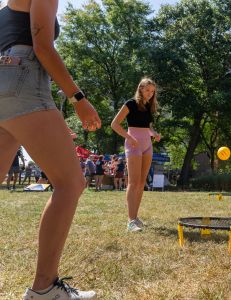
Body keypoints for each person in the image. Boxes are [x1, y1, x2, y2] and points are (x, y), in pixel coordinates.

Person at [0, 0, 101, 297]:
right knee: (70, 183)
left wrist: (48, 123)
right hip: (23, 80)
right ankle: (44, 289)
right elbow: (42, 47)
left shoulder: (5, 10)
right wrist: (78, 99)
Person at [111, 77, 161, 232]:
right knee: (133, 183)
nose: (150, 94)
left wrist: (154, 133)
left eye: (152, 91)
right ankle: (130, 221)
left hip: (147, 145)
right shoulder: (130, 103)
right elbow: (114, 124)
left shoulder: (149, 106)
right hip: (133, 144)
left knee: (141, 183)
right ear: (140, 89)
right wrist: (129, 138)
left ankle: (136, 217)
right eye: (147, 90)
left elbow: (147, 127)